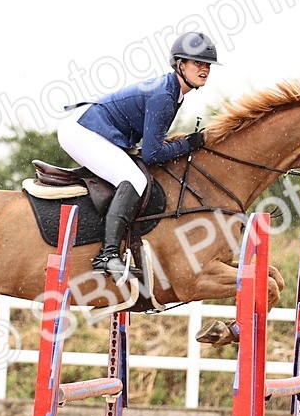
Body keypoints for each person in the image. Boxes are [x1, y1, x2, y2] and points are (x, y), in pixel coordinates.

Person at [57, 31, 219, 280]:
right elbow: (153, 154)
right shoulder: (165, 96)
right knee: (134, 178)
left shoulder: (173, 92)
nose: (205, 69)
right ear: (180, 64)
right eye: (198, 63)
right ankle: (108, 255)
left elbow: (152, 145)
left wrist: (184, 144)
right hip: (83, 130)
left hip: (90, 127)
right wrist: (188, 145)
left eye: (208, 65)